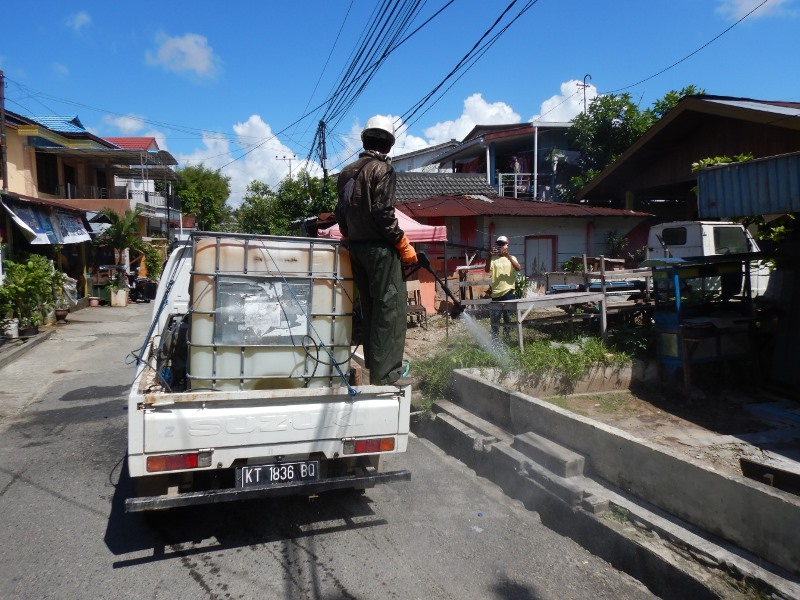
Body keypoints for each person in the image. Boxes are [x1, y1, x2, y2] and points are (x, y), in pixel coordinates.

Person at [335, 115, 418, 385]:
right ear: (389, 145)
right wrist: (401, 243)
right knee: (389, 309)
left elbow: (341, 212)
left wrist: (351, 235)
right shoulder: (383, 170)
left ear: (364, 139)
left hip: (355, 249)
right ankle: (388, 373)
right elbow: (383, 212)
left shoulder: (347, 171)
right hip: (380, 251)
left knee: (370, 308)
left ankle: (374, 365)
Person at [485, 234, 520, 343]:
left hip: (508, 292)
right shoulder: (493, 259)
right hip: (496, 294)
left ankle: (507, 339)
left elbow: (518, 268)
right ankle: (495, 341)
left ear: (507, 245)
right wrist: (489, 256)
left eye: (502, 244)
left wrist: (508, 256)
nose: (500, 246)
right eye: (498, 244)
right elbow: (486, 270)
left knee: (508, 318)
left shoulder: (512, 258)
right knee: (495, 320)